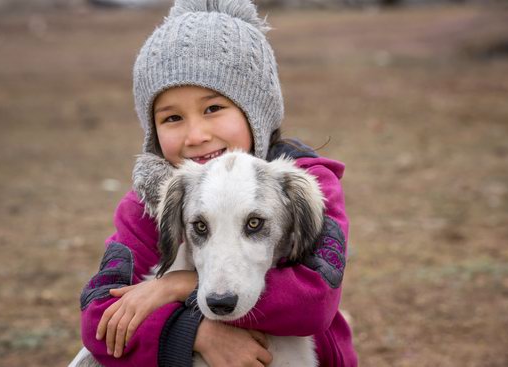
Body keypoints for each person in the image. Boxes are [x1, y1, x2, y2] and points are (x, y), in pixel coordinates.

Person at [79, 0, 357, 366]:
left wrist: (179, 285)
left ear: (254, 108)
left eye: (213, 109)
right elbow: (100, 317)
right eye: (173, 117)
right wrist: (194, 331)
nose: (196, 135)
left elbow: (315, 302)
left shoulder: (302, 186)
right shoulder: (153, 201)